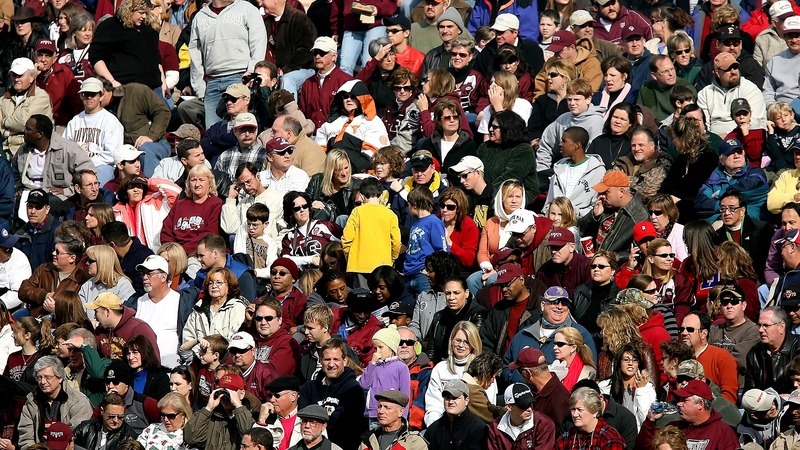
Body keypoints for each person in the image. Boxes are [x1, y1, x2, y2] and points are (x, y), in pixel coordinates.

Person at [187, 0, 265, 128]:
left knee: (240, 128)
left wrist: (252, 72)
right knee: (213, 132)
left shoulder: (247, 9)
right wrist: (199, 88)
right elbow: (195, 53)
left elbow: (259, 42)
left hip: (240, 77)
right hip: (212, 83)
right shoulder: (200, 17)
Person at [502, 287, 596, 384]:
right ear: (543, 305)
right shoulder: (523, 334)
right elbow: (506, 367)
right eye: (554, 302)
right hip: (522, 391)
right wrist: (518, 380)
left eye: (564, 303)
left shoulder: (580, 334)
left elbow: (589, 370)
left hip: (560, 392)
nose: (560, 307)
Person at [298, 338, 368, 450]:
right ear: (321, 360)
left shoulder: (353, 389)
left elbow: (344, 424)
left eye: (336, 359)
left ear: (344, 361)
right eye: (327, 359)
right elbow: (304, 418)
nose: (331, 364)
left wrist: (316, 421)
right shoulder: (309, 388)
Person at [537, 79, 606, 191]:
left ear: (588, 99)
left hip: (581, 173)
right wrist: (542, 168)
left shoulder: (596, 122)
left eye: (577, 99)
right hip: (559, 167)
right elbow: (546, 145)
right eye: (569, 99)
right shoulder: (562, 119)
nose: (572, 103)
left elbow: (593, 155)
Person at [96, 76, 171, 178]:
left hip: (155, 144)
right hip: (122, 153)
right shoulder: (95, 111)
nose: (91, 100)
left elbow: (163, 111)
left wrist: (151, 136)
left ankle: (151, 186)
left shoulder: (135, 91)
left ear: (103, 91)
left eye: (93, 95)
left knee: (145, 149)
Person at [636, 379, 740, 450]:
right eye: (679, 399)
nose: (679, 403)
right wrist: (650, 420)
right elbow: (643, 448)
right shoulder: (673, 428)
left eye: (684, 400)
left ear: (700, 404)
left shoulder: (722, 432)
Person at [12, 115, 94, 203]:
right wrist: (19, 187)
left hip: (58, 197)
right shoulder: (23, 150)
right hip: (29, 193)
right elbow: (14, 172)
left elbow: (89, 174)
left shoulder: (68, 149)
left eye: (28, 129)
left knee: (50, 203)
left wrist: (67, 191)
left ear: (40, 134)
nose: (24, 132)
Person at [18, 356, 93, 449]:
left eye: (47, 377)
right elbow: (26, 438)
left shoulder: (78, 402)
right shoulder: (31, 402)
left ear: (60, 378)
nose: (43, 382)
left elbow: (77, 437)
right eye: (39, 377)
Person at [130, 255, 188, 367]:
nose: (145, 277)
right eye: (143, 274)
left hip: (171, 365)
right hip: (142, 365)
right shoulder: (136, 302)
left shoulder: (180, 301)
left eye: (149, 273)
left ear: (163, 277)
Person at [578, 171, 648, 261]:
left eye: (606, 192)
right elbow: (581, 230)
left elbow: (639, 251)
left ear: (621, 192)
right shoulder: (604, 205)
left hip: (614, 266)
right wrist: (594, 216)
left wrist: (609, 258)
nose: (602, 196)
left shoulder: (640, 216)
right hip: (593, 262)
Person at [160, 165, 224, 259]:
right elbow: (166, 231)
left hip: (199, 254)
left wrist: (182, 252)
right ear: (188, 183)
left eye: (201, 180)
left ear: (210, 182)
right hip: (174, 253)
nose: (197, 184)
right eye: (193, 180)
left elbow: (210, 234)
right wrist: (172, 250)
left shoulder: (216, 204)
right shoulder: (179, 204)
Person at [19, 235, 90, 319]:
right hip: (37, 319)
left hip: (62, 324)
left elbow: (80, 312)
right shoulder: (44, 269)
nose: (53, 253)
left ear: (72, 258)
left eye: (58, 252)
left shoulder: (82, 279)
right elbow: (23, 290)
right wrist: (44, 295)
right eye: (54, 250)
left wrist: (57, 310)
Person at [697, 52, 766, 138]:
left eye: (735, 67)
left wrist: (728, 136)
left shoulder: (750, 89)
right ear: (717, 72)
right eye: (728, 69)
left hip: (744, 137)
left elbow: (755, 122)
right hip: (714, 140)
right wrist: (715, 139)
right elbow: (705, 125)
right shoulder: (705, 93)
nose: (733, 71)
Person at [544, 126, 605, 219]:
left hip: (579, 223)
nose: (560, 144)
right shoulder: (559, 169)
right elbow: (548, 203)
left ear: (577, 145)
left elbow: (596, 206)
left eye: (564, 141)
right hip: (554, 222)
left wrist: (572, 213)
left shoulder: (597, 171)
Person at [183, 372, 254, 450]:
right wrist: (208, 409)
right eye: (222, 392)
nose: (225, 397)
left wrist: (238, 406)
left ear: (242, 394)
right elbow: (190, 438)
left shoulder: (250, 416)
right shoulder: (210, 417)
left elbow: (251, 440)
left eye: (229, 393)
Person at [477, 110, 539, 195]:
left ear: (507, 129)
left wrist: (485, 192)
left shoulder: (524, 150)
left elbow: (509, 178)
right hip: (486, 193)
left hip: (517, 195)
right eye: (491, 126)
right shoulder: (485, 147)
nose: (490, 129)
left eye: (495, 127)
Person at [299, 37, 355, 129]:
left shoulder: (346, 81)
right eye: (315, 53)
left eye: (322, 53)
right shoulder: (307, 84)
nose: (317, 56)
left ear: (334, 56)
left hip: (338, 133)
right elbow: (302, 112)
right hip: (312, 133)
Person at [0, 59, 53, 156]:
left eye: (20, 76)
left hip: (29, 152)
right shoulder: (4, 98)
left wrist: (4, 122)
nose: (16, 79)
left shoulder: (41, 96)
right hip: (5, 150)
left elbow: (25, 122)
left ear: (32, 77)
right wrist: (6, 132)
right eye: (14, 75)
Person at [746, 306, 800, 394]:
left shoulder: (798, 348)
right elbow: (749, 391)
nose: (760, 330)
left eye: (766, 325)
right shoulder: (755, 352)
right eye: (759, 325)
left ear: (781, 327)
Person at [487, 382, 556, 450]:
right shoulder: (496, 427)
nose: (529, 409)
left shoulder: (543, 424)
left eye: (530, 404)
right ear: (509, 406)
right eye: (523, 406)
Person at [555, 387, 626, 450]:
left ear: (594, 411)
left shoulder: (610, 438)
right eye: (573, 409)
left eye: (580, 410)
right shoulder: (567, 437)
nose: (575, 414)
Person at [425, 379, 488, 450]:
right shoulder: (434, 429)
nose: (451, 402)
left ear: (466, 400)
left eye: (455, 398)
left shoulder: (478, 429)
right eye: (447, 398)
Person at [194, 234, 258, 302]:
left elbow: (247, 304)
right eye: (197, 256)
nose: (198, 259)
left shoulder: (242, 275)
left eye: (201, 256)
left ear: (215, 254)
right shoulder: (201, 274)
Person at [34, 38, 80, 129]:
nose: (43, 59)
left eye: (47, 56)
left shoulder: (64, 73)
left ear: (54, 59)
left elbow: (76, 100)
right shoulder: (28, 72)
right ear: (34, 56)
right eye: (40, 55)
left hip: (60, 123)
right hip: (35, 124)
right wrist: (33, 77)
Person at [535, 228, 592, 297]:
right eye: (552, 247)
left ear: (572, 247)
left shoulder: (587, 267)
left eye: (558, 247)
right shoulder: (544, 271)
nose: (553, 251)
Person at [638, 55, 696, 122]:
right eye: (665, 71)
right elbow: (640, 112)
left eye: (672, 69)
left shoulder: (686, 89)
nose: (671, 74)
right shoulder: (646, 88)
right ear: (654, 75)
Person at [73, 392, 138, 449]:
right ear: (102, 411)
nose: (116, 420)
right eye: (111, 416)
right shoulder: (85, 428)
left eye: (120, 417)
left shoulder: (129, 437)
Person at [763, 16, 800, 107]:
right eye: (790, 36)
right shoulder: (774, 61)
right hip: (780, 109)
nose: (794, 40)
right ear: (784, 37)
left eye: (797, 36)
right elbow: (768, 91)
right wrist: (771, 107)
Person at [0, 226, 32, 310]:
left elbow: (17, 294)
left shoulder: (19, 259)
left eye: (11, 246)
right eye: (6, 249)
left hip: (7, 307)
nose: (11, 250)